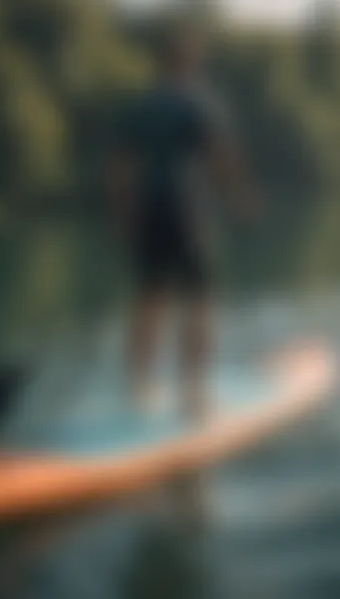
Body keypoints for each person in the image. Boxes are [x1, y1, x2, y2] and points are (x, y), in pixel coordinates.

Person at [106, 22, 256, 420]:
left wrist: (124, 214)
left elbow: (120, 165)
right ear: (190, 63)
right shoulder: (197, 103)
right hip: (186, 209)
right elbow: (220, 155)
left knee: (149, 299)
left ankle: (139, 390)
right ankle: (194, 396)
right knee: (199, 302)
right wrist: (239, 198)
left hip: (148, 209)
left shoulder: (142, 105)